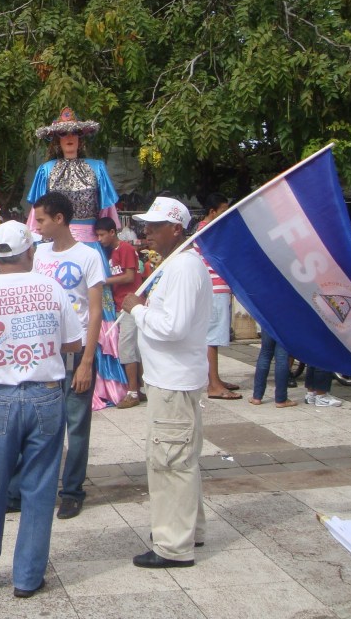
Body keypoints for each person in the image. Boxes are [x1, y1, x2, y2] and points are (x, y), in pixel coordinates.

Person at [0, 220, 82, 598]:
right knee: (41, 486)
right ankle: (28, 577)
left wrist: (1, 349)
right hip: (46, 394)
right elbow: (73, 343)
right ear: (29, 252)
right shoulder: (52, 287)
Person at [123, 197, 212, 569]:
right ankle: (189, 529)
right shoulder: (177, 265)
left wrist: (137, 309)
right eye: (147, 225)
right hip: (173, 378)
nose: (148, 232)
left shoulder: (183, 268)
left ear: (176, 228)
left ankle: (173, 545)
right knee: (180, 458)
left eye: (156, 226)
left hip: (173, 382)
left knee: (170, 461)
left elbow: (172, 328)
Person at [26, 107, 125, 408]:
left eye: (73, 133)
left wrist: (109, 242)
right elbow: (36, 216)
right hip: (53, 247)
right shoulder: (46, 170)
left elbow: (108, 215)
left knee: (98, 309)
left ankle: (102, 381)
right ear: (56, 140)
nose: (69, 138)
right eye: (63, 134)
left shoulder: (97, 168)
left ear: (81, 138)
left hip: (90, 248)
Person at [31, 191, 105, 520]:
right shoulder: (38, 254)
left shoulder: (89, 256)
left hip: (75, 353)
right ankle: (37, 486)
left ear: (59, 219)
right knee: (41, 425)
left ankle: (72, 490)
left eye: (42, 219)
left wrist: (87, 362)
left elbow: (95, 310)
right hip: (42, 353)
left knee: (75, 426)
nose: (38, 225)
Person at [194, 193, 240, 400]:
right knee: (212, 338)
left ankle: (216, 379)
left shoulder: (207, 230)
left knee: (214, 337)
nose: (226, 214)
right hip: (215, 288)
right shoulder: (208, 231)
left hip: (217, 287)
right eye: (223, 210)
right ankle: (213, 384)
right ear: (212, 212)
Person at [95, 216, 144, 408]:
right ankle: (138, 388)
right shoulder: (109, 252)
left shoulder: (125, 249)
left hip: (130, 305)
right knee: (132, 348)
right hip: (118, 306)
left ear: (112, 232)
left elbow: (130, 276)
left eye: (101, 235)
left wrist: (104, 281)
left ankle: (132, 392)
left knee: (127, 349)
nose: (99, 239)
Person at [250, 330, 296, 407]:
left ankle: (256, 397)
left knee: (265, 353)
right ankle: (281, 399)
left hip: (269, 320)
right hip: (285, 322)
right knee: (282, 357)